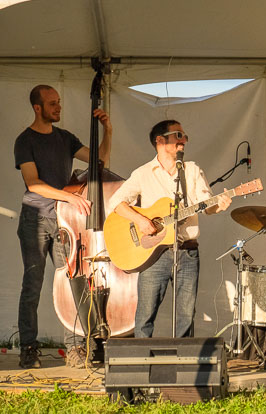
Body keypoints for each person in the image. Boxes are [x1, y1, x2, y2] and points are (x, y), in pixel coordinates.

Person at [14, 84, 112, 369]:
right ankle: (28, 348)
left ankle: (75, 347)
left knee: (73, 282)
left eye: (58, 102)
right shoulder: (25, 140)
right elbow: (33, 183)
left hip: (63, 220)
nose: (58, 107)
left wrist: (108, 130)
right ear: (37, 108)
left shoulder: (65, 138)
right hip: (35, 218)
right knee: (32, 284)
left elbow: (99, 161)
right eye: (52, 103)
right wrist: (69, 196)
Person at [108, 120, 231, 338]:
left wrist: (218, 205)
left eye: (185, 136)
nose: (184, 140)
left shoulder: (192, 170)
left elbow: (206, 205)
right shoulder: (143, 173)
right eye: (178, 135)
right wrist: (141, 220)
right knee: (145, 313)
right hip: (154, 253)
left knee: (186, 315)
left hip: (187, 251)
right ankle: (141, 356)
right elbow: (115, 203)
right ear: (160, 140)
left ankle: (183, 357)